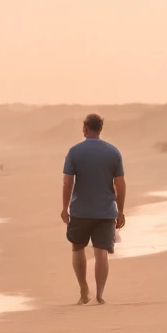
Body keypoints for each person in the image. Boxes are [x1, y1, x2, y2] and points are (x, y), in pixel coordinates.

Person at [61, 112, 125, 305]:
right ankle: (100, 294)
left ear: (85, 129)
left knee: (78, 248)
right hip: (106, 211)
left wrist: (65, 208)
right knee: (101, 253)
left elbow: (67, 183)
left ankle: (83, 290)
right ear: (100, 129)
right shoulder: (113, 152)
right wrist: (120, 211)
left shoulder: (74, 152)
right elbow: (120, 184)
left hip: (80, 211)